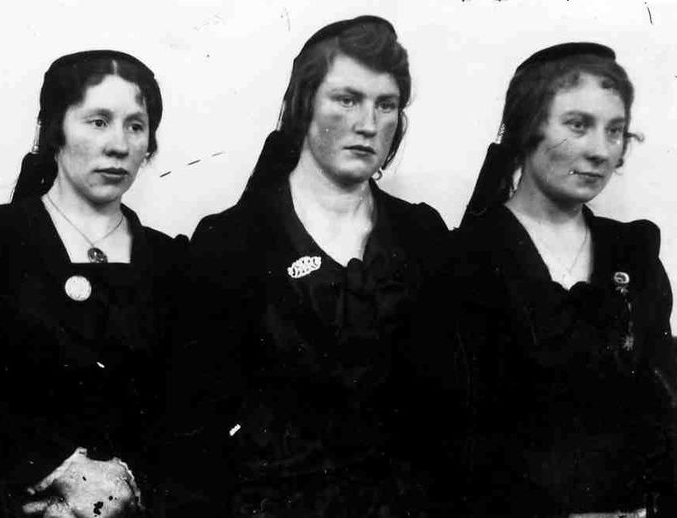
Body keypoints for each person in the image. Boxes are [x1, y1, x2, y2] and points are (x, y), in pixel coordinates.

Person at [171, 15, 468, 517]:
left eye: (386, 104)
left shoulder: (422, 236)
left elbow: (450, 418)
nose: (368, 124)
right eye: (346, 100)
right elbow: (194, 432)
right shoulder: (233, 240)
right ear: (304, 104)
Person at [0, 50, 185, 518]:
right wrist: (58, 473)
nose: (119, 144)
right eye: (98, 121)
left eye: (136, 126)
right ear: (56, 131)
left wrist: (125, 486)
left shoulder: (170, 260)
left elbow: (184, 413)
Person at [454, 42, 677, 517]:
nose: (600, 151)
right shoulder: (467, 260)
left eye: (614, 131)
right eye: (578, 125)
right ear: (527, 128)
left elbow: (662, 410)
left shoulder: (633, 255)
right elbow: (454, 445)